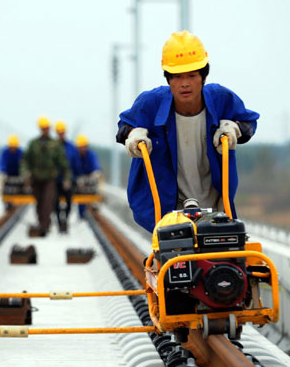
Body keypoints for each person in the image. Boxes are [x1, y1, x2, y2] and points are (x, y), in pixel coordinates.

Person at [116, 31, 259, 232]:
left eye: (192, 76)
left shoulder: (221, 100)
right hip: (169, 211)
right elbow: (123, 128)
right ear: (168, 79)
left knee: (226, 259)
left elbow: (249, 123)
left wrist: (233, 129)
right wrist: (134, 135)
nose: (185, 83)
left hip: (216, 206)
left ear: (203, 77)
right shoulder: (151, 103)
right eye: (177, 76)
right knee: (174, 261)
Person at [21, 116, 70, 236]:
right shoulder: (33, 144)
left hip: (50, 179)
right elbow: (25, 161)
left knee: (48, 203)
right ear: (40, 129)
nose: (45, 131)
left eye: (47, 128)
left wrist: (66, 178)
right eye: (43, 129)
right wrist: (25, 173)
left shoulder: (55, 145)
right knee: (39, 203)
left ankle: (44, 227)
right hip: (36, 179)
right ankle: (42, 223)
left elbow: (64, 163)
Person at [53, 120, 80, 232]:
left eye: (62, 132)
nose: (61, 135)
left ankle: (66, 220)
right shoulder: (52, 147)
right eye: (59, 133)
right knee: (55, 203)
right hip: (55, 180)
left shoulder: (71, 148)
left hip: (69, 180)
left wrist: (74, 178)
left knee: (69, 202)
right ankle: (59, 222)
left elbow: (76, 163)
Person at [73, 134, 102, 219]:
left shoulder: (91, 155)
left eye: (84, 147)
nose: (82, 149)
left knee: (96, 187)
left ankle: (94, 205)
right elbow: (71, 169)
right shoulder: (75, 157)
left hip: (89, 181)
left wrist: (96, 172)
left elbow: (96, 165)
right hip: (78, 182)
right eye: (80, 147)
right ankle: (81, 215)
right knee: (80, 196)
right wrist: (75, 179)